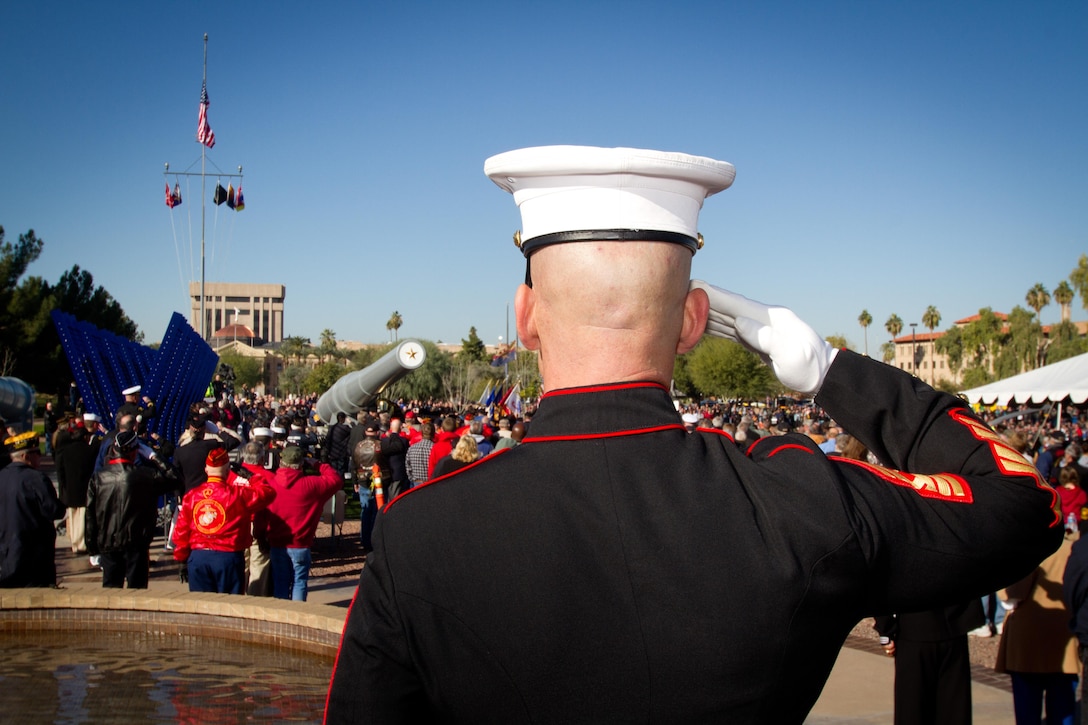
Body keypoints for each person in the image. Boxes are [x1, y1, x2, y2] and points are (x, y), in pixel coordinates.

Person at [325, 145, 1062, 723]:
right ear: (694, 320)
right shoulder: (799, 500)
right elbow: (1021, 502)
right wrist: (831, 371)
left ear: (524, 317)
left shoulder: (419, 533)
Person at [997, 522, 1080, 725]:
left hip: (1029, 636)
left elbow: (1012, 595)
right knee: (1063, 708)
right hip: (1065, 629)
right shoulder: (1074, 546)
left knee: (1028, 709)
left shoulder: (1029, 546)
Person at [171, 447, 275, 594]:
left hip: (199, 556)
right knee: (229, 608)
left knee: (201, 607)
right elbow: (267, 493)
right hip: (228, 557)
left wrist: (181, 559)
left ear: (206, 470)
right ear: (227, 472)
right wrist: (251, 476)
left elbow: (181, 530)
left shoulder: (192, 496)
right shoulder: (238, 495)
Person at [85, 431, 180, 589]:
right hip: (137, 543)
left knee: (110, 592)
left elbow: (90, 515)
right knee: (137, 592)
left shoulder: (99, 477)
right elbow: (176, 479)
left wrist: (92, 547)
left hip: (109, 542)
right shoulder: (146, 475)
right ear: (136, 451)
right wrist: (154, 456)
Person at [873, 601, 985, 725]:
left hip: (916, 630)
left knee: (913, 710)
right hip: (954, 625)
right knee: (954, 708)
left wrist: (886, 632)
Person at [259, 445, 341, 601]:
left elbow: (261, 516)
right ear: (301, 464)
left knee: (281, 584)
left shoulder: (270, 485)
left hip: (278, 544)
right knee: (299, 583)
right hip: (301, 544)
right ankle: (298, 615)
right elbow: (335, 479)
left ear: (282, 462)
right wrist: (317, 464)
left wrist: (261, 537)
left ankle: (281, 617)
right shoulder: (312, 485)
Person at [0, 432, 65, 587]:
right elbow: (54, 510)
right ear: (25, 456)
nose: (40, 457)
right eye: (37, 453)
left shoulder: (1, 476)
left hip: (6, 551)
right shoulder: (36, 478)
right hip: (35, 554)